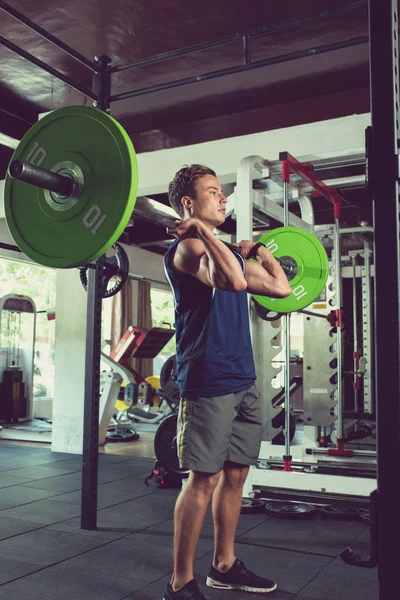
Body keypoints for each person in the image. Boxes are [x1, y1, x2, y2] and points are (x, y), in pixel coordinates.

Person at [162, 164, 291, 600]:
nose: (223, 199)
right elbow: (234, 282)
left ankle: (224, 564)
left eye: (222, 193)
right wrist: (201, 231)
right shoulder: (186, 251)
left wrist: (259, 251)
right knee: (204, 480)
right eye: (213, 192)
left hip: (243, 377)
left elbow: (281, 287)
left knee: (236, 474)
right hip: (208, 379)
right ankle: (181, 582)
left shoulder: (227, 252)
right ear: (188, 203)